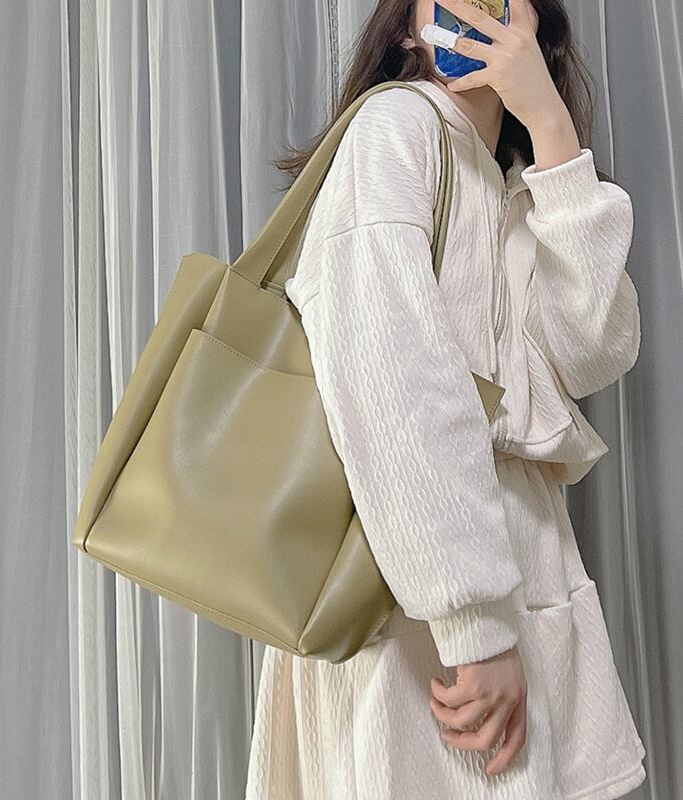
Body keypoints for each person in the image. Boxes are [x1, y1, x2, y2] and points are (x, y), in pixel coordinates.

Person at [244, 0, 647, 797]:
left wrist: (552, 131)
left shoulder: (518, 182)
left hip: (519, 586)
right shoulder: (395, 129)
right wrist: (473, 628)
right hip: (420, 607)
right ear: (406, 29)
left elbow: (592, 354)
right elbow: (391, 378)